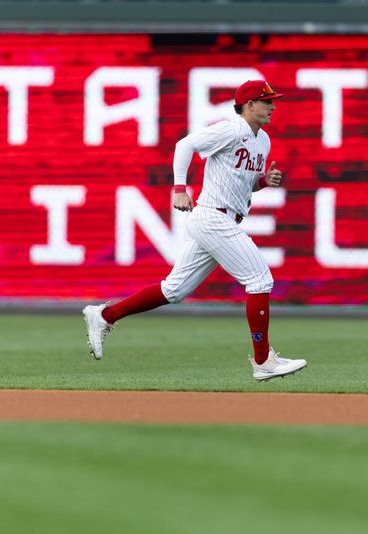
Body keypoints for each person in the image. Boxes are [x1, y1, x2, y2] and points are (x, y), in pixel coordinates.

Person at [83, 79, 307, 382]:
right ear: (250, 105)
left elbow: (246, 182)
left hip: (222, 219)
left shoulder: (262, 140)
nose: (273, 106)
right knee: (259, 279)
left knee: (173, 290)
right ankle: (263, 360)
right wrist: (179, 187)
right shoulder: (231, 129)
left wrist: (266, 181)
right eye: (267, 101)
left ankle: (104, 316)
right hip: (213, 217)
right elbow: (184, 144)